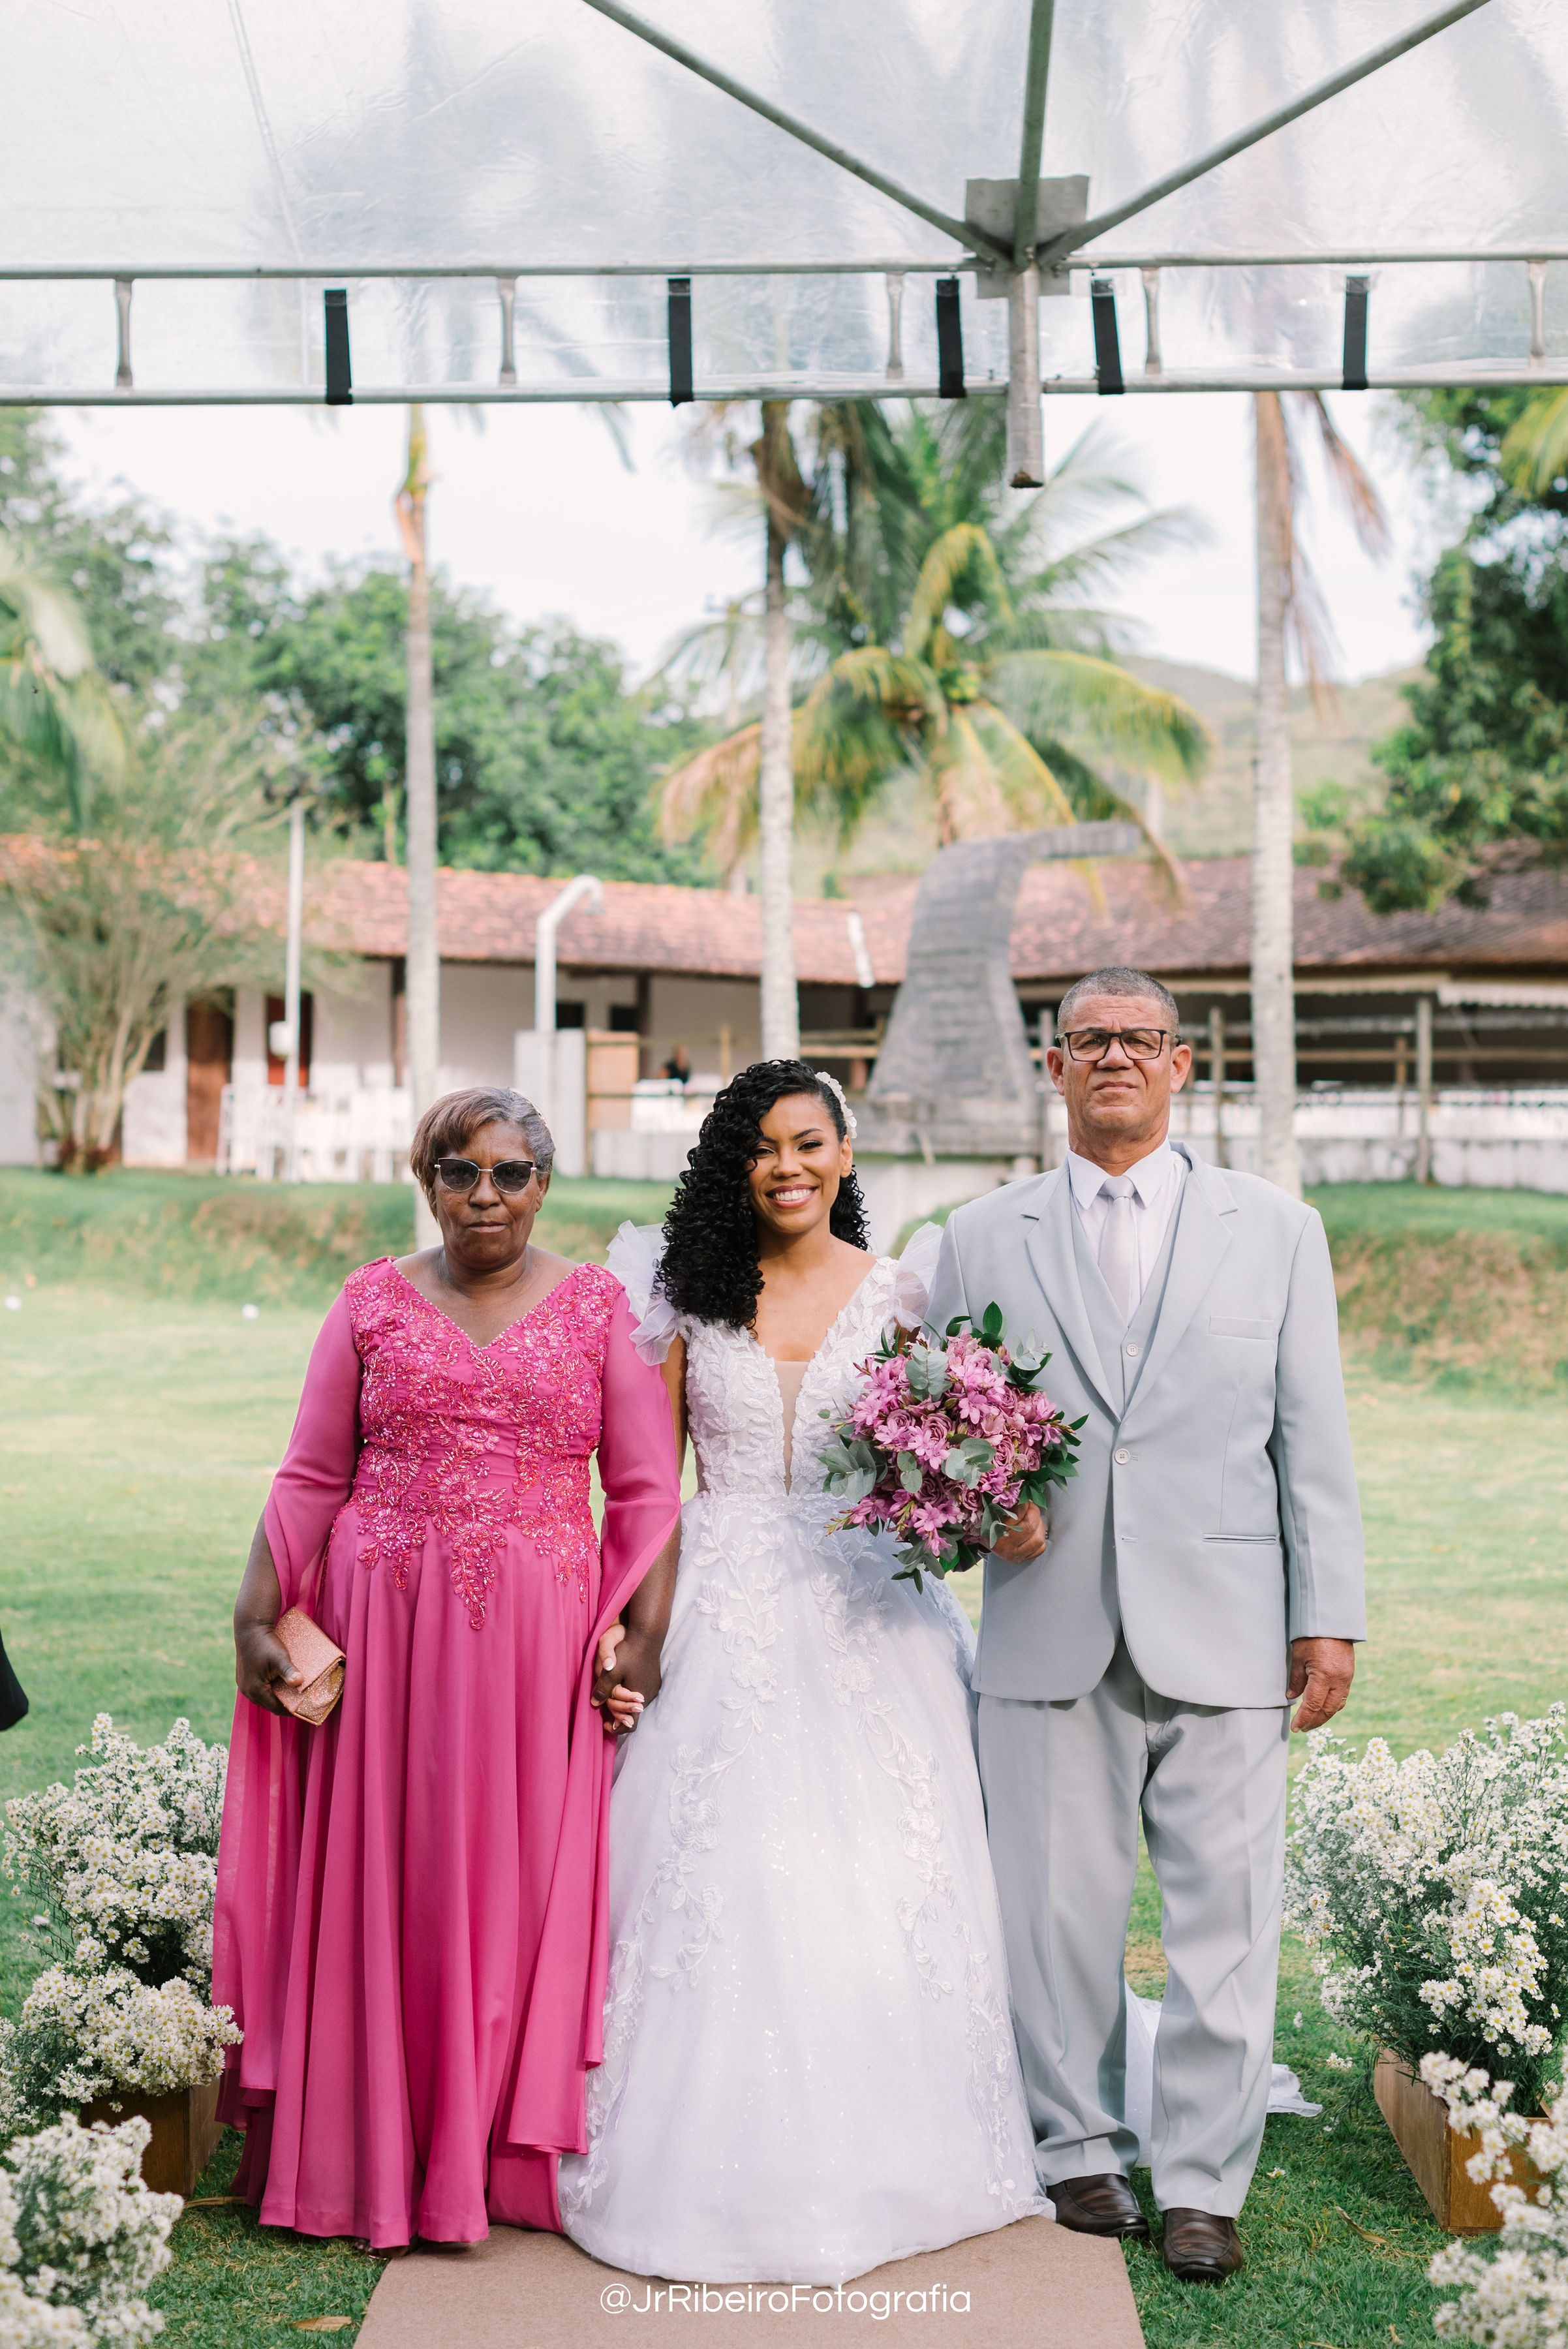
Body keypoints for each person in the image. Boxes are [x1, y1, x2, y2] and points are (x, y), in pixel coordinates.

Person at [557, 1060, 1045, 2285]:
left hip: (868, 1606)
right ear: (736, 1164)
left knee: (888, 1869)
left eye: (810, 1143)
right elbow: (650, 1489)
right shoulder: (682, 1298)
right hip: (716, 1604)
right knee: (708, 1868)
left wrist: (976, 1503)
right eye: (764, 1147)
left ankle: (910, 2147)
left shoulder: (907, 1290)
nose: (788, 1166)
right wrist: (640, 1637)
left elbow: (945, 1457)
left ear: (844, 1153)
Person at [927, 966, 1365, 2284]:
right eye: (1084, 1042)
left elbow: (1312, 1438)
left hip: (1229, 1627)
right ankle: (1073, 2151)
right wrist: (974, 1512)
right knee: (1050, 1919)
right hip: (1046, 1628)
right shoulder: (975, 1232)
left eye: (1136, 1040)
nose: (1110, 1058)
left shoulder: (1276, 1230)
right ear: (1052, 1070)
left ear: (1180, 1065)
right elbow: (941, 1439)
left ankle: (1199, 2183)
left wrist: (1326, 1613)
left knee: (1224, 1923)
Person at [213, 1086, 681, 2251]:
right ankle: (370, 2145)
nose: (487, 1196)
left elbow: (646, 1490)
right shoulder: (370, 1300)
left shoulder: (596, 1310)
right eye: (461, 1172)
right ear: (426, 1181)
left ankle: (484, 2149)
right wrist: (253, 1612)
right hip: (383, 1628)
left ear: (545, 1183)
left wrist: (644, 1637)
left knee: (510, 1875)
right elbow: (312, 1471)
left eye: (512, 1173)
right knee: (391, 1866)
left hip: (536, 1635)